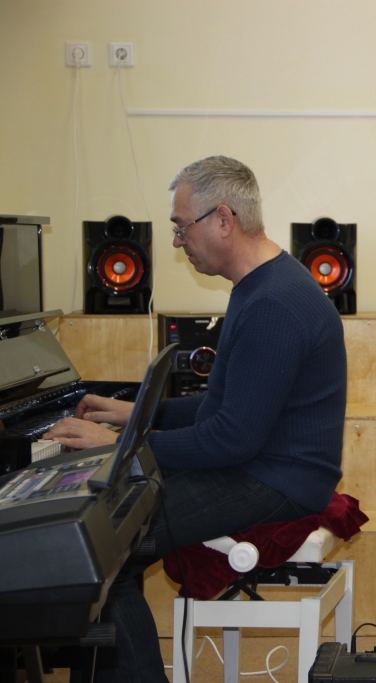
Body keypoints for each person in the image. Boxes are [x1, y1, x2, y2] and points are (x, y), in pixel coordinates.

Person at [43, 155, 348, 681]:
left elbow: (230, 439)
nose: (177, 241)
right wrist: (134, 413)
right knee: (103, 538)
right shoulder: (263, 285)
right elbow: (225, 407)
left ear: (223, 219)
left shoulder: (274, 303)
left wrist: (119, 446)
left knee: (101, 549)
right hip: (266, 464)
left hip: (281, 481)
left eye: (182, 227)